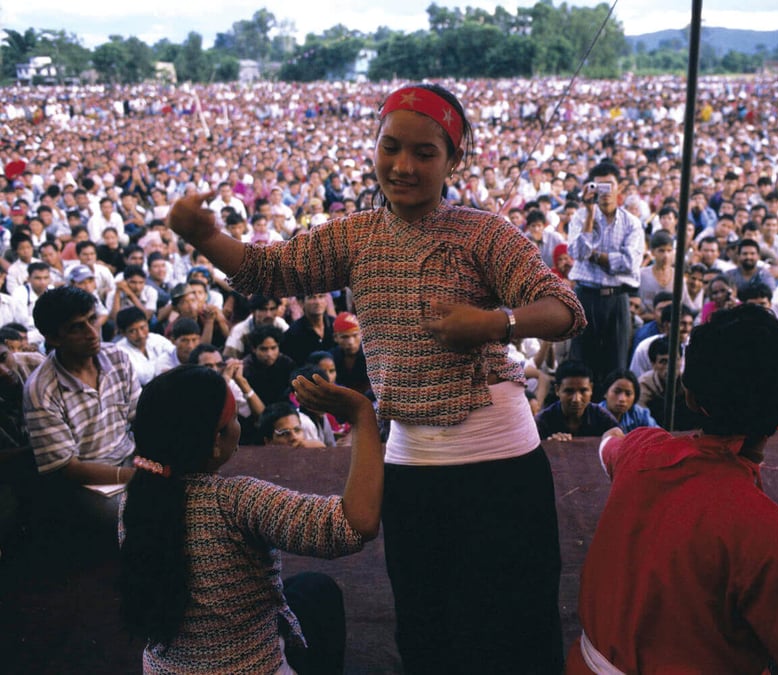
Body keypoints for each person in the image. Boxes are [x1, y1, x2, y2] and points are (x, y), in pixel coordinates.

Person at [167, 82, 585, 674]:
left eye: (424, 153)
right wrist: (204, 236)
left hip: (502, 461)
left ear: (453, 161)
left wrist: (497, 322)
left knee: (514, 622)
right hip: (411, 462)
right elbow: (271, 268)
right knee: (426, 622)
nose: (402, 166)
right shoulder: (354, 234)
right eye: (390, 147)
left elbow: (565, 307)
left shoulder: (483, 231)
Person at [568, 304, 778, 674]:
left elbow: (611, 442)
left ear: (690, 397)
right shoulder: (770, 538)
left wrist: (616, 438)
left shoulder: (641, 452)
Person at [119, 364, 383, 673]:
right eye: (233, 417)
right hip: (251, 667)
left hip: (162, 669)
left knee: (311, 589)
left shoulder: (135, 499)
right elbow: (356, 523)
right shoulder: (237, 501)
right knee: (318, 592)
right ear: (217, 439)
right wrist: (362, 414)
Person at [23, 286, 140, 528]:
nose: (92, 332)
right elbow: (68, 469)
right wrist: (134, 478)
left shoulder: (117, 358)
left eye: (92, 319)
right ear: (54, 338)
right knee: (128, 518)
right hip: (86, 482)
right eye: (77, 327)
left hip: (130, 457)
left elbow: (140, 417)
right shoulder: (42, 390)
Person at [568, 161, 644, 394]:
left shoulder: (631, 223)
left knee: (616, 364)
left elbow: (630, 263)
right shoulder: (581, 217)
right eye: (599, 187)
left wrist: (596, 256)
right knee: (581, 364)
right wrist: (590, 214)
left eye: (609, 185)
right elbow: (578, 253)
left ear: (619, 188)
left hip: (616, 299)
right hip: (585, 295)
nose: (605, 192)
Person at [535, 360, 619, 441]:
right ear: (557, 390)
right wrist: (549, 445)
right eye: (569, 391)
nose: (576, 399)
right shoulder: (543, 422)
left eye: (583, 391)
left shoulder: (603, 418)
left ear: (591, 389)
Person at [596, 368, 659, 434]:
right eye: (617, 392)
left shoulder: (639, 414)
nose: (622, 399)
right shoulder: (594, 415)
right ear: (605, 393)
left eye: (628, 394)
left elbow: (658, 435)